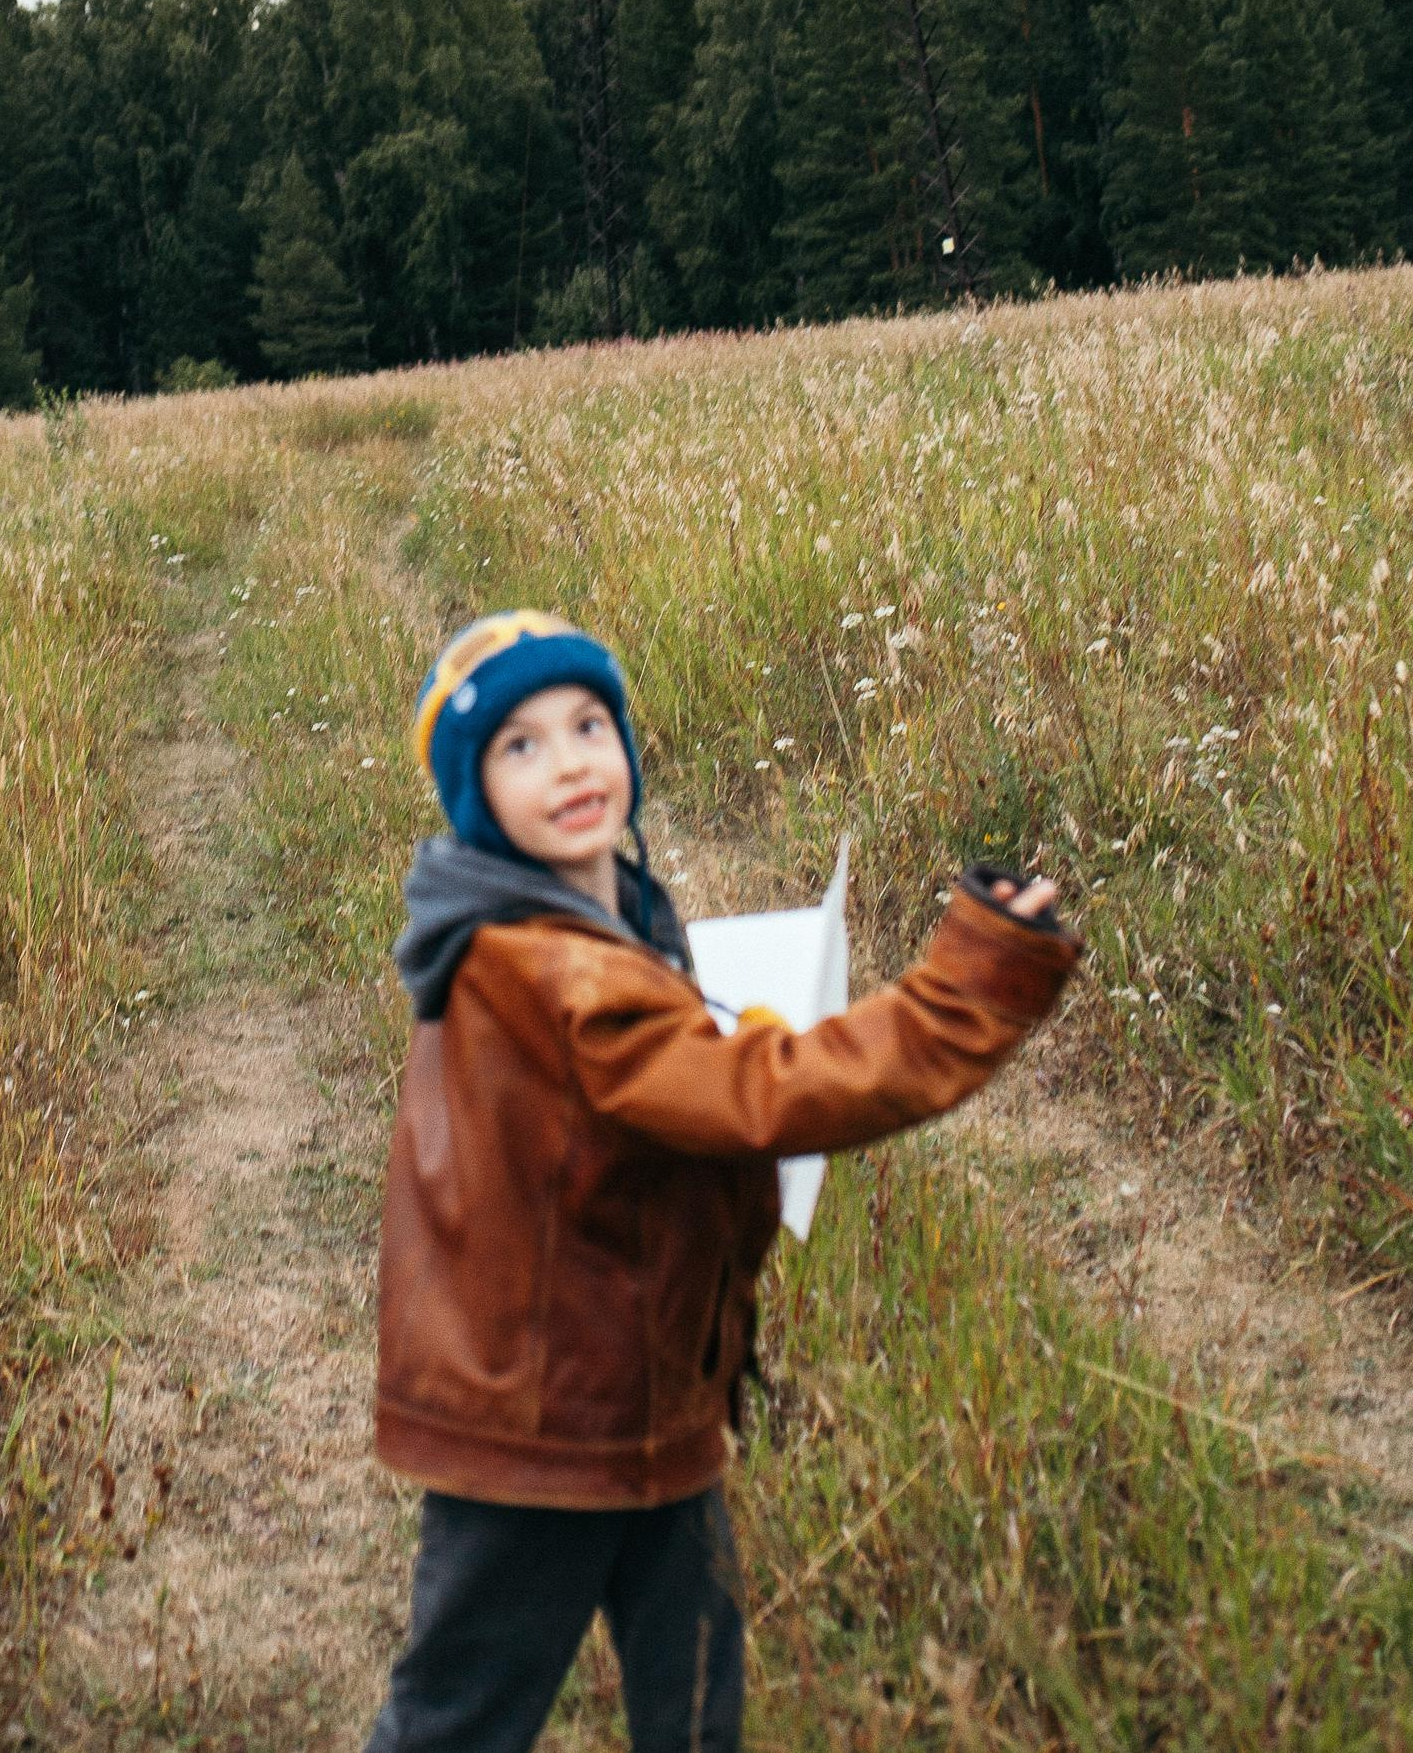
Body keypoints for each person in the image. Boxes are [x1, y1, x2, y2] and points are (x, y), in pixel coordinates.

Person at [364, 607, 1078, 1753]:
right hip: (546, 1430)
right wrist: (967, 983)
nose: (568, 760)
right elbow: (764, 1094)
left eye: (588, 722)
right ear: (472, 796)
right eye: (518, 744)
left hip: (642, 1394)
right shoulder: (545, 968)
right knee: (460, 1712)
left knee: (695, 1694)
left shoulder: (593, 917)